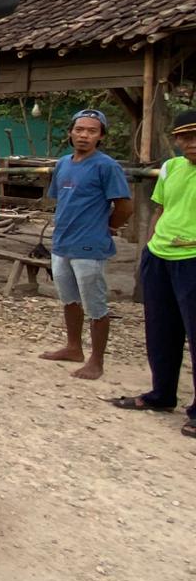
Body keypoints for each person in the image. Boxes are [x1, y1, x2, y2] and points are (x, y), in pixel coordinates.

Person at [111, 109, 196, 437]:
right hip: (160, 255)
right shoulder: (171, 168)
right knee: (161, 329)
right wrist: (150, 245)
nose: (191, 143)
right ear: (175, 140)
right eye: (185, 137)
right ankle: (162, 394)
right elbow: (161, 208)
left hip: (192, 257)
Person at [37, 109, 133, 379]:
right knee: (68, 298)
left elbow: (125, 205)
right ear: (70, 132)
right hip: (62, 242)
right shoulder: (63, 164)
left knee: (95, 304)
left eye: (92, 131)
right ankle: (73, 347)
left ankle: (96, 360)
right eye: (79, 129)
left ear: (100, 136)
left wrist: (110, 227)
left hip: (89, 245)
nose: (84, 135)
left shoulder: (106, 166)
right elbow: (60, 200)